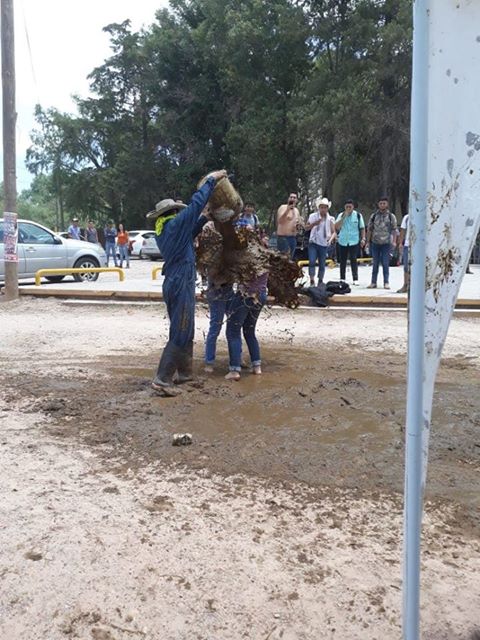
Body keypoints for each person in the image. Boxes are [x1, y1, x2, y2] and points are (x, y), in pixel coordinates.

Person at [149, 169, 227, 396]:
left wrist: (205, 219)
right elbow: (195, 205)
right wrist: (211, 181)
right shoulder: (175, 224)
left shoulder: (164, 229)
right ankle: (162, 379)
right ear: (173, 212)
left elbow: (189, 232)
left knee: (186, 326)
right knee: (181, 329)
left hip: (174, 280)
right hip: (180, 279)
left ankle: (184, 373)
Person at [225, 270, 268, 381]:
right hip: (261, 294)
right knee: (249, 331)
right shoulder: (267, 254)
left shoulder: (247, 254)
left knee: (232, 331)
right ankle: (257, 367)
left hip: (245, 295)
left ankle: (234, 370)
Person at [366, 197, 398, 289]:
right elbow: (370, 229)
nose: (382, 205)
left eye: (384, 203)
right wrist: (368, 241)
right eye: (381, 203)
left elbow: (394, 230)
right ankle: (373, 282)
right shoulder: (374, 216)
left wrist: (394, 241)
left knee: (385, 263)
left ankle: (386, 282)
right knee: (375, 263)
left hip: (386, 243)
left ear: (387, 204)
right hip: (375, 243)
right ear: (378, 204)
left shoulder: (391, 216)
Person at [305, 197, 336, 286]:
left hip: (324, 243)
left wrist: (330, 240)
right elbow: (306, 228)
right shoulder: (313, 216)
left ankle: (320, 280)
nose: (323, 209)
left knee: (322, 263)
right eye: (321, 207)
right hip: (313, 242)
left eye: (325, 207)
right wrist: (315, 223)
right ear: (319, 208)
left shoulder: (330, 219)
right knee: (312, 261)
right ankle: (312, 279)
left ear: (327, 208)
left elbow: (334, 232)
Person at [335, 199, 365, 285]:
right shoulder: (341, 215)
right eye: (347, 207)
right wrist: (344, 216)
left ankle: (355, 278)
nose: (348, 208)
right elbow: (336, 227)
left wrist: (363, 238)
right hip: (343, 240)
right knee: (342, 260)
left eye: (350, 207)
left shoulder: (358, 215)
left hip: (354, 240)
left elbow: (362, 228)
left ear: (353, 207)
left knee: (353, 259)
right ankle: (342, 278)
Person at [277, 192, 302, 258]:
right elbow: (280, 221)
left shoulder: (297, 210)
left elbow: (299, 224)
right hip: (283, 238)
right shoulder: (283, 207)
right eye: (291, 197)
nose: (292, 199)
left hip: (293, 238)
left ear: (296, 200)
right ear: (288, 199)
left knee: (290, 259)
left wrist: (299, 225)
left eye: (294, 198)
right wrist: (287, 210)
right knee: (283, 259)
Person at [397, 213, 410, 293]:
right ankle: (405, 285)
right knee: (406, 267)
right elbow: (402, 230)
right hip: (408, 245)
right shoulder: (407, 217)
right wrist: (400, 243)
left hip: (421, 247)